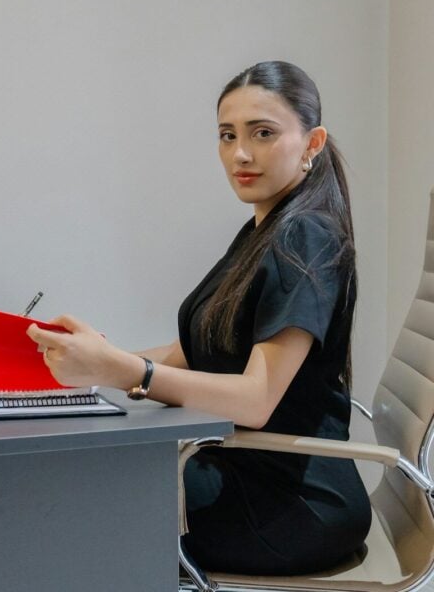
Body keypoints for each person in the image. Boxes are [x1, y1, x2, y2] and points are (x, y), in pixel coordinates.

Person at [26, 60, 372, 575]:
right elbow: (193, 352)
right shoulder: (263, 231)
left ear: (312, 143)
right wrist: (82, 363)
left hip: (292, 504)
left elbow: (256, 400)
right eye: (227, 135)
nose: (240, 153)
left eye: (263, 133)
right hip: (248, 472)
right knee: (81, 491)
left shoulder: (306, 238)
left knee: (79, 505)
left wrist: (123, 373)